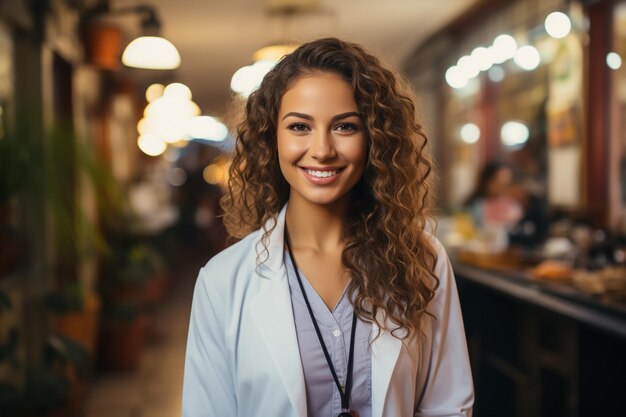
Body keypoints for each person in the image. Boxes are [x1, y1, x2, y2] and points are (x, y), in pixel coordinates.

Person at [182, 38, 474, 417]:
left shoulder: (422, 258)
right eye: (300, 126)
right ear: (272, 138)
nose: (322, 149)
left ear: (374, 139)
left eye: (345, 127)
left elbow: (447, 405)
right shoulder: (222, 281)